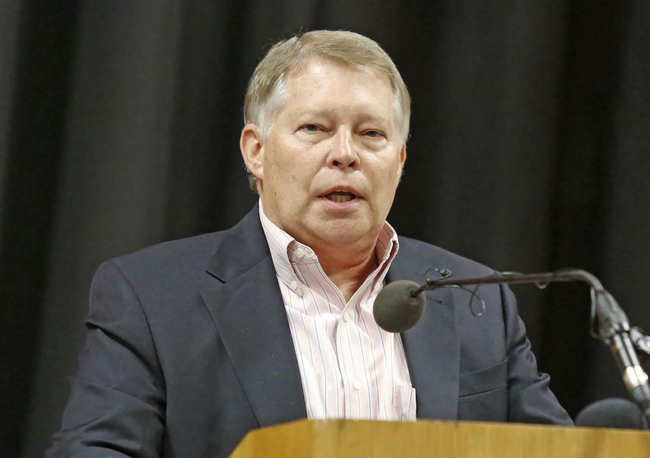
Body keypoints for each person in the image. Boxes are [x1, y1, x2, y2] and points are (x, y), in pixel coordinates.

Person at [48, 30, 572, 458]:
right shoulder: (151, 297)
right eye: (315, 128)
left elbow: (557, 450)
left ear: (401, 159)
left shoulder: (475, 298)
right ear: (256, 151)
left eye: (371, 134)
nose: (345, 154)